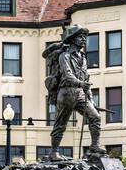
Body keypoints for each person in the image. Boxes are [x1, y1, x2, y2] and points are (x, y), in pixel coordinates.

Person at [43, 25, 104, 157]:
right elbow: (67, 75)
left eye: (84, 37)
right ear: (72, 39)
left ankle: (95, 145)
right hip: (66, 93)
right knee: (61, 124)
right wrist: (81, 83)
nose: (83, 39)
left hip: (81, 93)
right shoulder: (64, 56)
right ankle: (54, 152)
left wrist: (91, 99)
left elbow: (86, 78)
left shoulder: (83, 58)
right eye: (80, 37)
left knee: (95, 117)